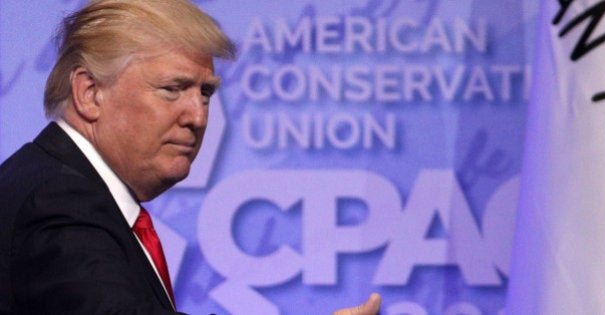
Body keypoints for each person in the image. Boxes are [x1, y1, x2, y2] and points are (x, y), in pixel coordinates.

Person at [0, 0, 381, 314]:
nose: (198, 116)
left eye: (205, 93)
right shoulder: (57, 202)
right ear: (90, 92)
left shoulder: (57, 185)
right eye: (172, 89)